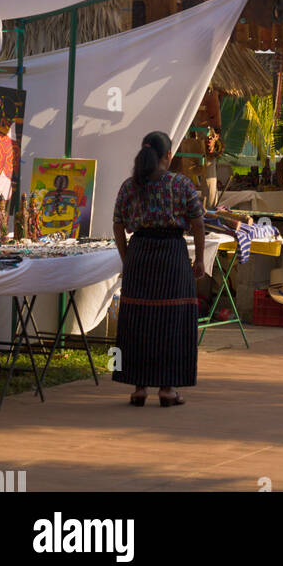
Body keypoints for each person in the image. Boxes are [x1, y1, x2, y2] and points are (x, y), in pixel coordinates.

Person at [112, 131, 205, 406]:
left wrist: (127, 256)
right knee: (173, 320)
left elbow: (117, 224)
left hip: (139, 255)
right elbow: (198, 223)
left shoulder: (129, 186)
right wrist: (199, 258)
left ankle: (138, 388)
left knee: (136, 320)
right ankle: (167, 389)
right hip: (172, 256)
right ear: (168, 155)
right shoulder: (181, 184)